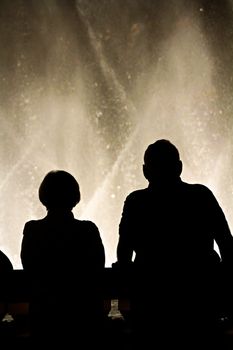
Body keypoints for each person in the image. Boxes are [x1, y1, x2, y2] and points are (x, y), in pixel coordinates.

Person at [115, 139, 233, 349]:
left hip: (152, 300)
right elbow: (226, 243)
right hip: (199, 299)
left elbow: (124, 251)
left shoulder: (136, 202)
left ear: (145, 171)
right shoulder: (201, 196)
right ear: (179, 167)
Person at [20, 170, 105, 348]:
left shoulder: (33, 230)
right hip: (82, 315)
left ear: (43, 196)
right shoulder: (88, 230)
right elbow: (97, 268)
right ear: (75, 196)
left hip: (45, 314)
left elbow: (29, 266)